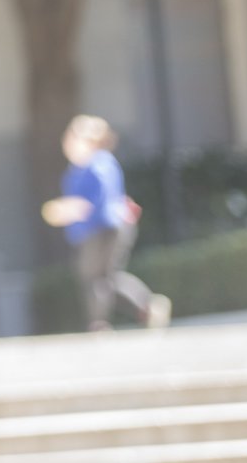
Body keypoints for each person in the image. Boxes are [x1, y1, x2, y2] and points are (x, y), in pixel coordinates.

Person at [42, 114, 173, 331]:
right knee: (103, 278)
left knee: (94, 276)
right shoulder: (75, 170)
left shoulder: (99, 163)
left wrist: (73, 208)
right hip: (92, 230)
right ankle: (146, 306)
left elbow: (99, 202)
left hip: (106, 228)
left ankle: (99, 323)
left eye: (72, 138)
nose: (67, 143)